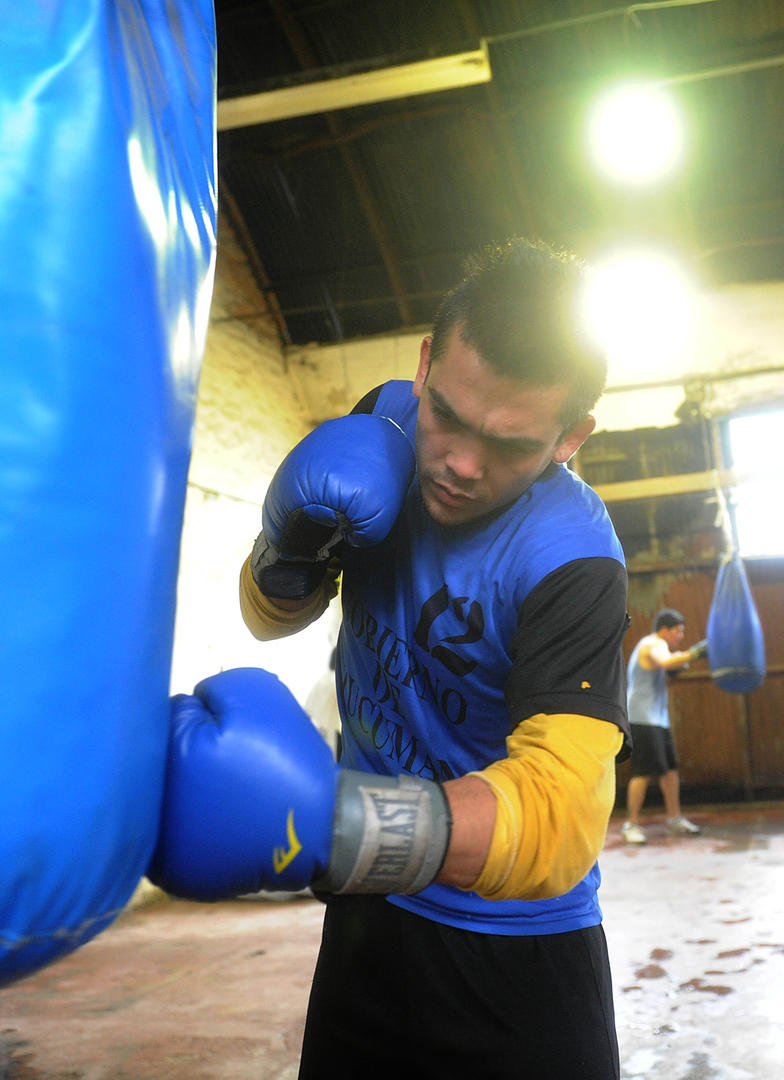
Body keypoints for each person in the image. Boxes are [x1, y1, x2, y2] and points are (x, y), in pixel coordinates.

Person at [232, 237, 632, 1079]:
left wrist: (334, 828)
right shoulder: (382, 420)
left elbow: (563, 816)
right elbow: (270, 617)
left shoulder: (573, 563)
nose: (456, 463)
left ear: (571, 437)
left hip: (515, 950)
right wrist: (285, 550)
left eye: (510, 444)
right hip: (369, 918)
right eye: (447, 415)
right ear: (424, 364)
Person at [622, 608, 707, 845]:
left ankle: (674, 818)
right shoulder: (652, 644)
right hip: (641, 718)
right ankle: (631, 825)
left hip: (658, 719)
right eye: (678, 631)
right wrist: (696, 652)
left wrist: (683, 663)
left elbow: (671, 665)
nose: (680, 636)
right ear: (665, 630)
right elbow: (667, 661)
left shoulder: (659, 645)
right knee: (642, 772)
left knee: (670, 771)